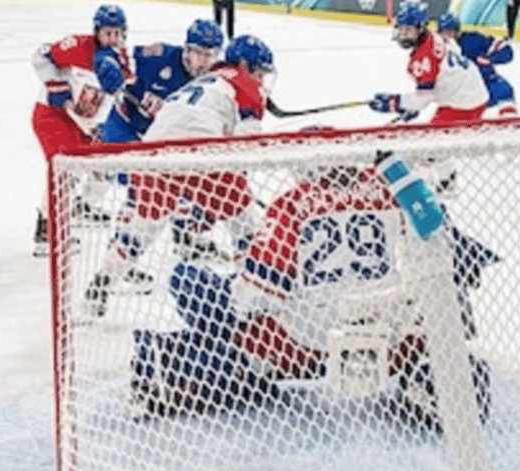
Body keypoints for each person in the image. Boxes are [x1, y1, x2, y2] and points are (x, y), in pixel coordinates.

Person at [131, 157, 499, 421]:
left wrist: (234, 293)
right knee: (439, 288)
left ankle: (225, 368)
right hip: (392, 338)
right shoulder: (397, 192)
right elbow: (452, 247)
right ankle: (435, 375)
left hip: (305, 347)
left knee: (187, 281)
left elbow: (255, 296)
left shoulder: (291, 204)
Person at [83, 35, 278, 315]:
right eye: (259, 71)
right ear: (246, 67)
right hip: (201, 151)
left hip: (153, 153)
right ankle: (250, 303)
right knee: (245, 226)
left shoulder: (202, 81)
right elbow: (244, 147)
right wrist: (230, 195)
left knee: (143, 229)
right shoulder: (246, 85)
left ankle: (100, 284)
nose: (261, 79)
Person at [30, 4, 133, 251]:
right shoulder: (76, 46)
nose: (112, 39)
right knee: (63, 172)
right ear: (96, 32)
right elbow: (40, 56)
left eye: (117, 33)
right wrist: (56, 86)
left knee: (107, 164)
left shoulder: (122, 59)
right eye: (107, 33)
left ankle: (82, 206)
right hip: (53, 117)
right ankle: (47, 229)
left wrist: (100, 124)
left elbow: (115, 95)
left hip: (85, 125)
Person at [100, 19, 225, 144]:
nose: (203, 60)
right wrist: (107, 64)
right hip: (124, 126)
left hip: (159, 139)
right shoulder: (160, 57)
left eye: (209, 55)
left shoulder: (218, 78)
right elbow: (120, 58)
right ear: (187, 49)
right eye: (198, 52)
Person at [371, 2, 488, 124]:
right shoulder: (432, 36)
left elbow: (424, 98)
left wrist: (393, 104)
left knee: (435, 138)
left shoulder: (425, 56)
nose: (403, 33)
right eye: (401, 28)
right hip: (472, 93)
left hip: (465, 102)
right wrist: (408, 104)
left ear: (421, 28)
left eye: (408, 29)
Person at [435, 13, 517, 116]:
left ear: (457, 31)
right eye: (444, 32)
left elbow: (506, 49)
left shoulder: (475, 40)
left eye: (450, 31)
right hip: (460, 92)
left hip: (487, 83)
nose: (447, 35)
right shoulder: (435, 50)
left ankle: (507, 115)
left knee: (503, 90)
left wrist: (491, 59)